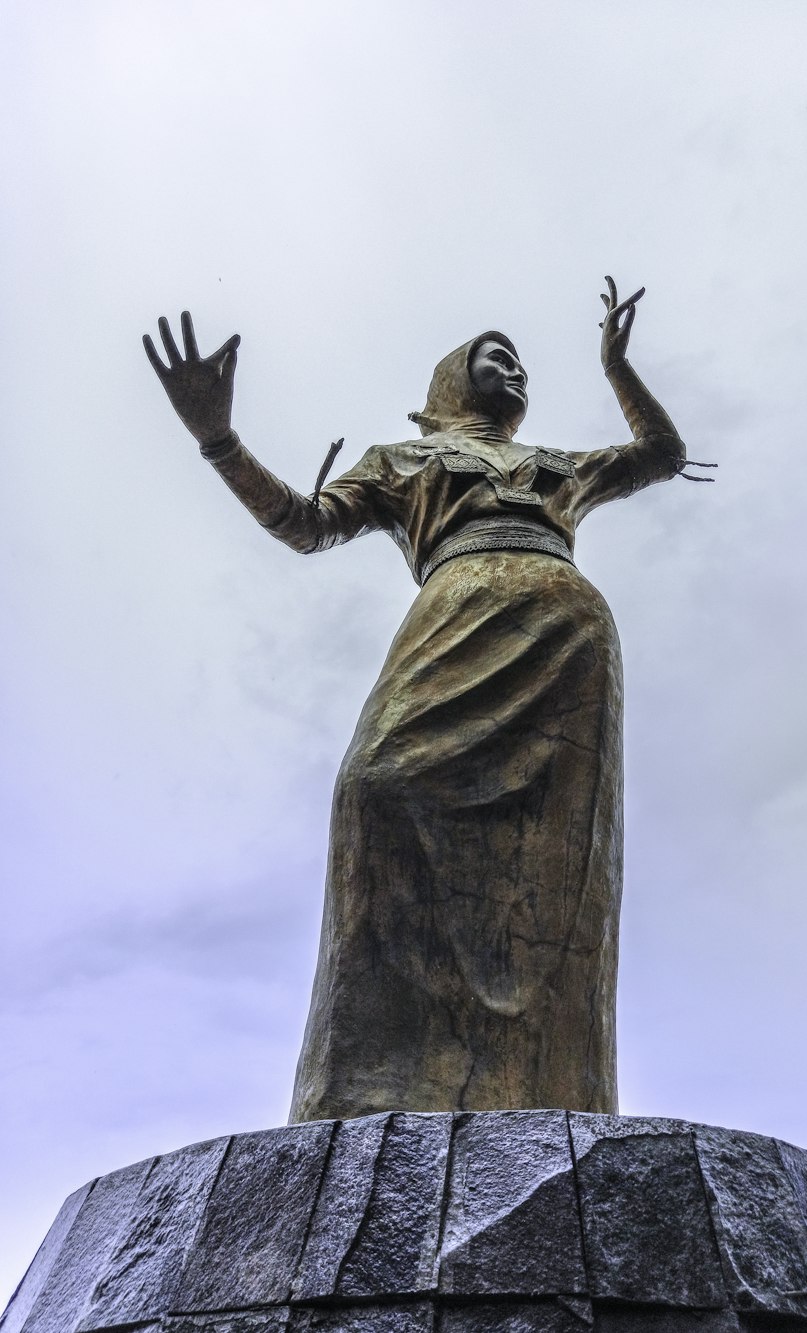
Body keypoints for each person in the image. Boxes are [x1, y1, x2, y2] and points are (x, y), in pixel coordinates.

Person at [144, 279, 698, 1121]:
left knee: (557, 869)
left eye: (518, 361)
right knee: (377, 785)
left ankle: (551, 1085)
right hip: (455, 609)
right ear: (451, 382)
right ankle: (366, 1088)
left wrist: (618, 367)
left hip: (564, 628)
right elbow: (303, 522)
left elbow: (661, 451)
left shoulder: (560, 466)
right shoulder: (401, 462)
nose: (512, 369)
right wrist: (218, 440)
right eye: (493, 357)